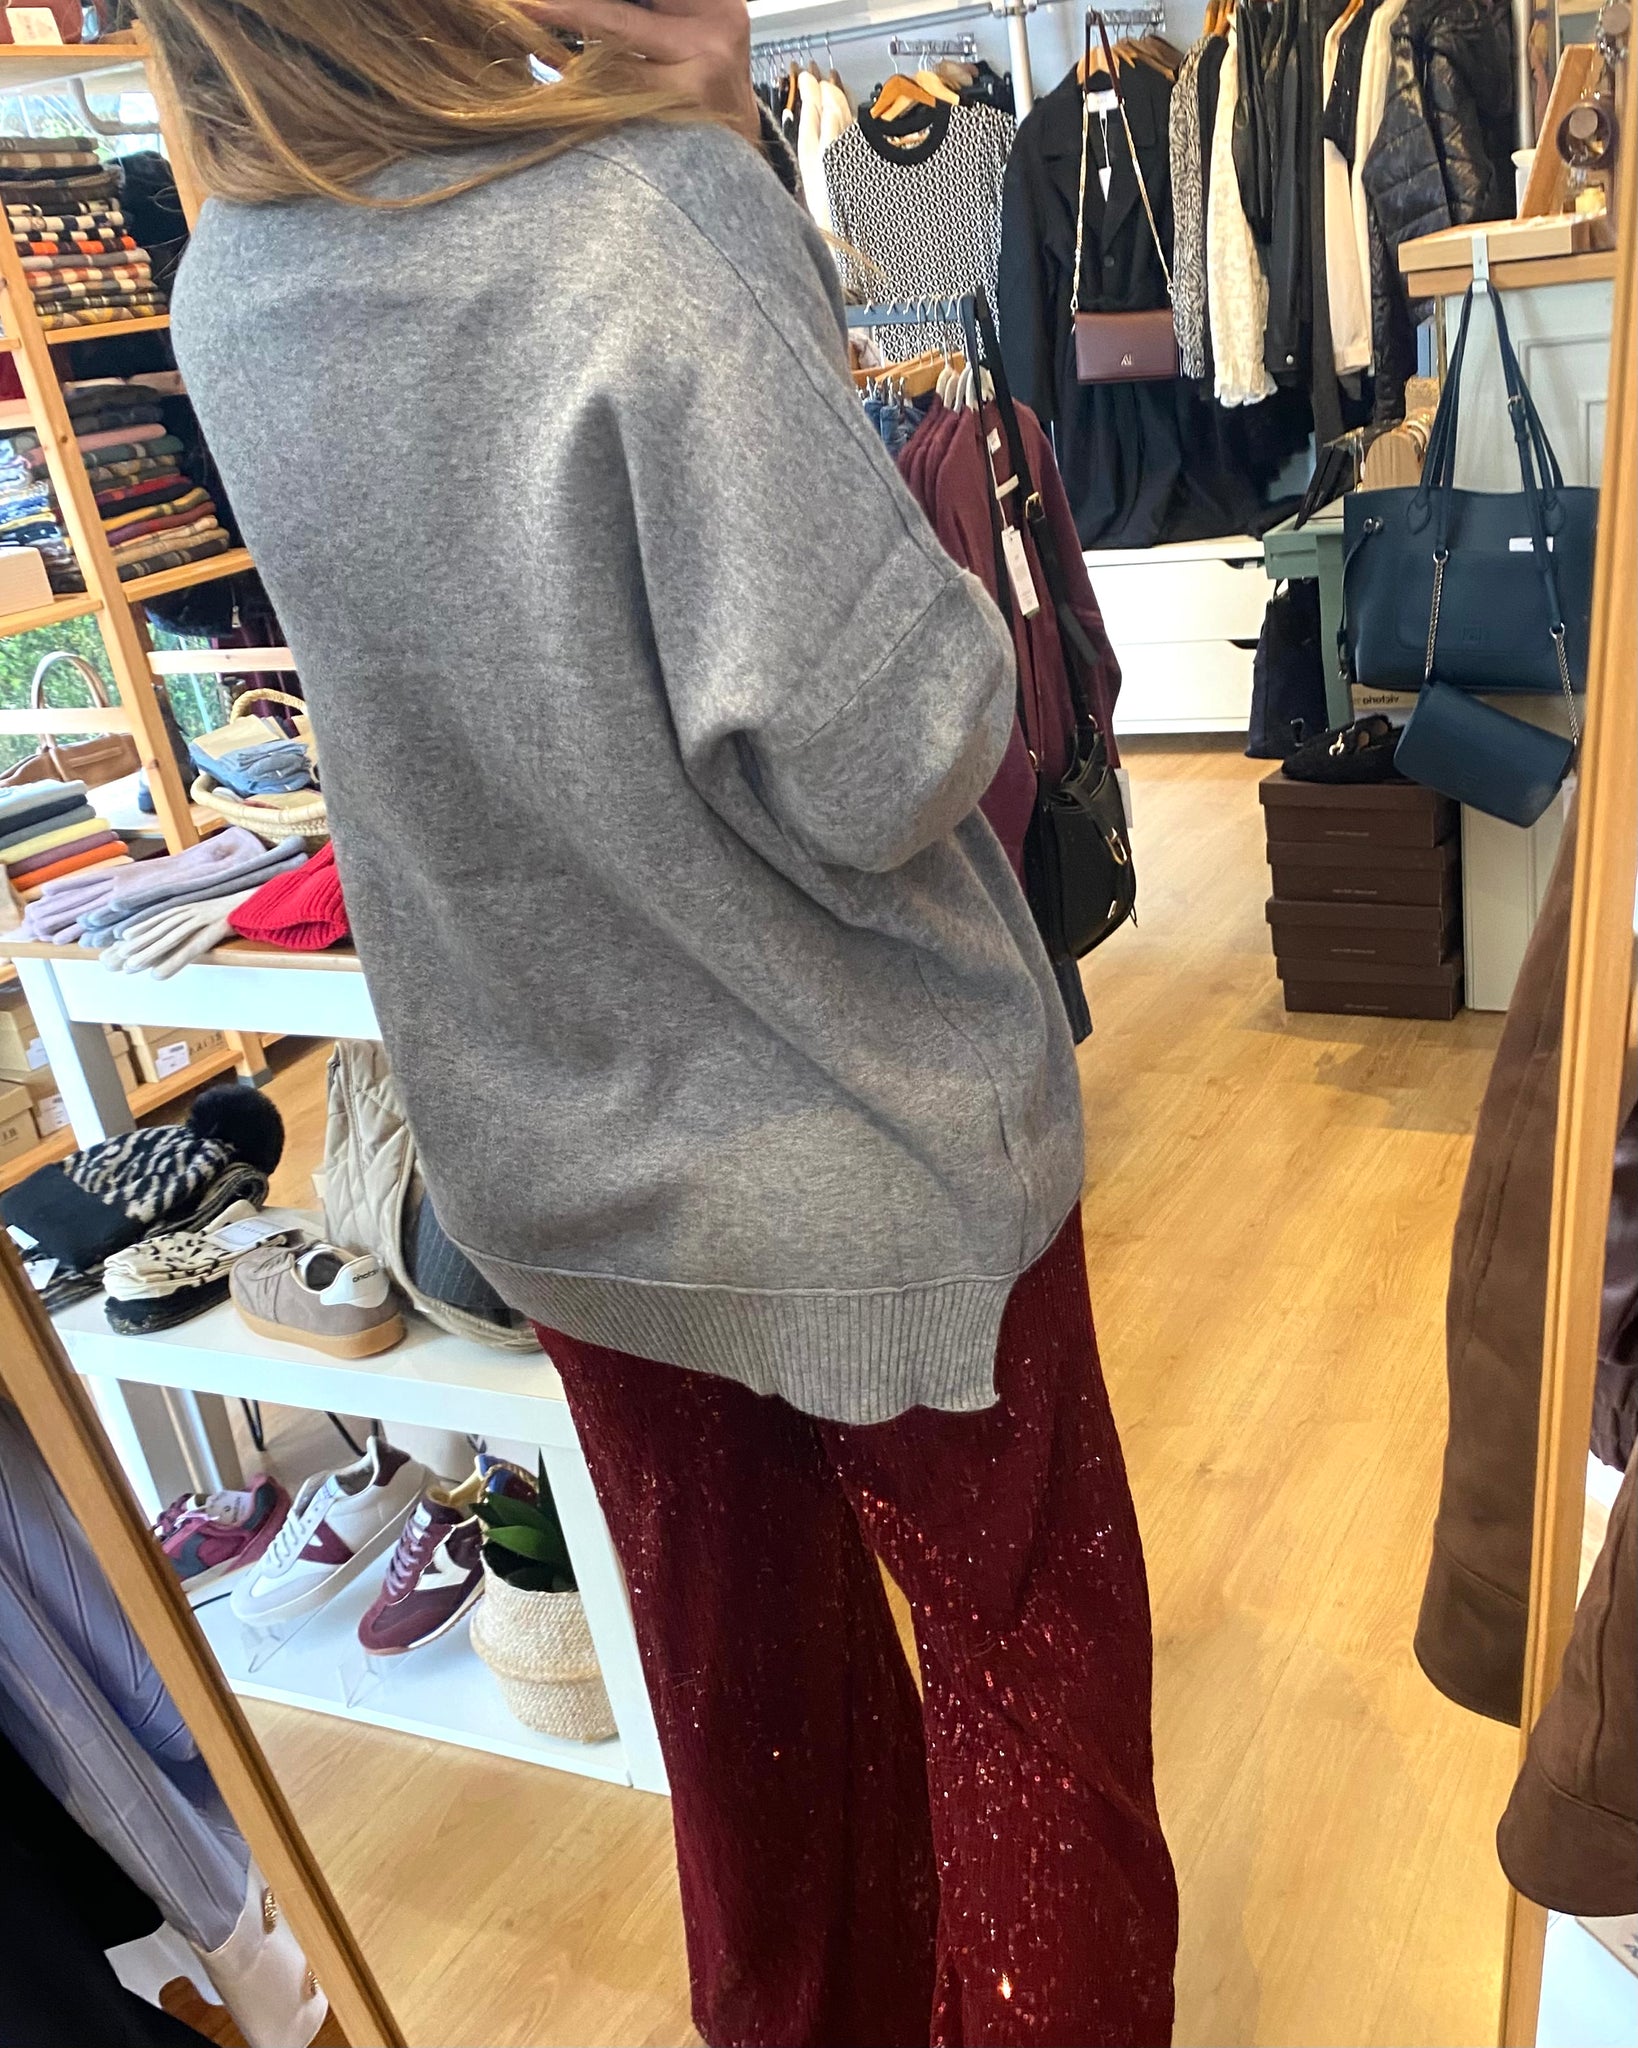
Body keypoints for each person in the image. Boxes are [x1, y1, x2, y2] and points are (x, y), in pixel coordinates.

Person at [146, 0, 1178, 2038]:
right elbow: (893, 747)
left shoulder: (234, 289)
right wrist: (725, 162)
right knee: (1022, 1689)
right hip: (873, 1147)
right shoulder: (643, 204)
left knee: (752, 1730)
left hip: (563, 1155)